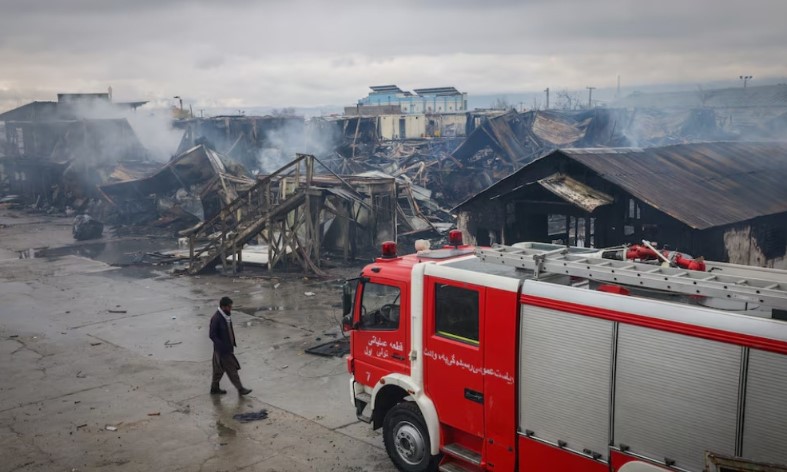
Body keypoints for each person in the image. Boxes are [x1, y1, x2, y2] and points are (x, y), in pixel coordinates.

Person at [209, 296, 252, 396]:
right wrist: (222, 346)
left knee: (218, 370)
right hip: (223, 350)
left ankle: (214, 388)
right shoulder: (216, 318)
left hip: (225, 349)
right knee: (232, 370)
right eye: (229, 307)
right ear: (223, 307)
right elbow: (212, 335)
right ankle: (240, 389)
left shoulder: (226, 316)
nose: (231, 308)